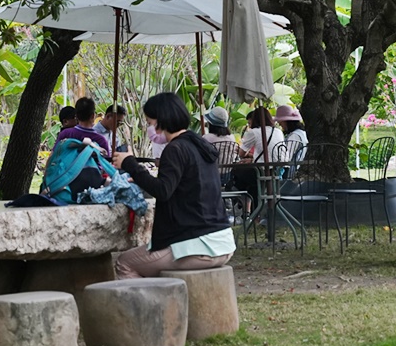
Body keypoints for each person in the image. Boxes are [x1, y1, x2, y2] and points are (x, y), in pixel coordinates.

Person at [111, 92, 235, 278]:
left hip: (196, 246)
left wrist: (129, 164)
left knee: (125, 263)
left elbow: (162, 190)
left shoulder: (175, 149)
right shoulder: (199, 145)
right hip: (223, 243)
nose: (149, 128)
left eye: (150, 123)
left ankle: (153, 307)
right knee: (148, 263)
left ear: (162, 120)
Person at [231, 107, 284, 214]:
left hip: (261, 171)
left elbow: (241, 154)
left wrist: (246, 156)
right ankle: (253, 210)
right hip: (277, 170)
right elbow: (269, 153)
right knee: (252, 182)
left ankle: (243, 199)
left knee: (236, 172)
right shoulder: (278, 131)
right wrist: (253, 159)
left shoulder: (254, 132)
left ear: (254, 119)